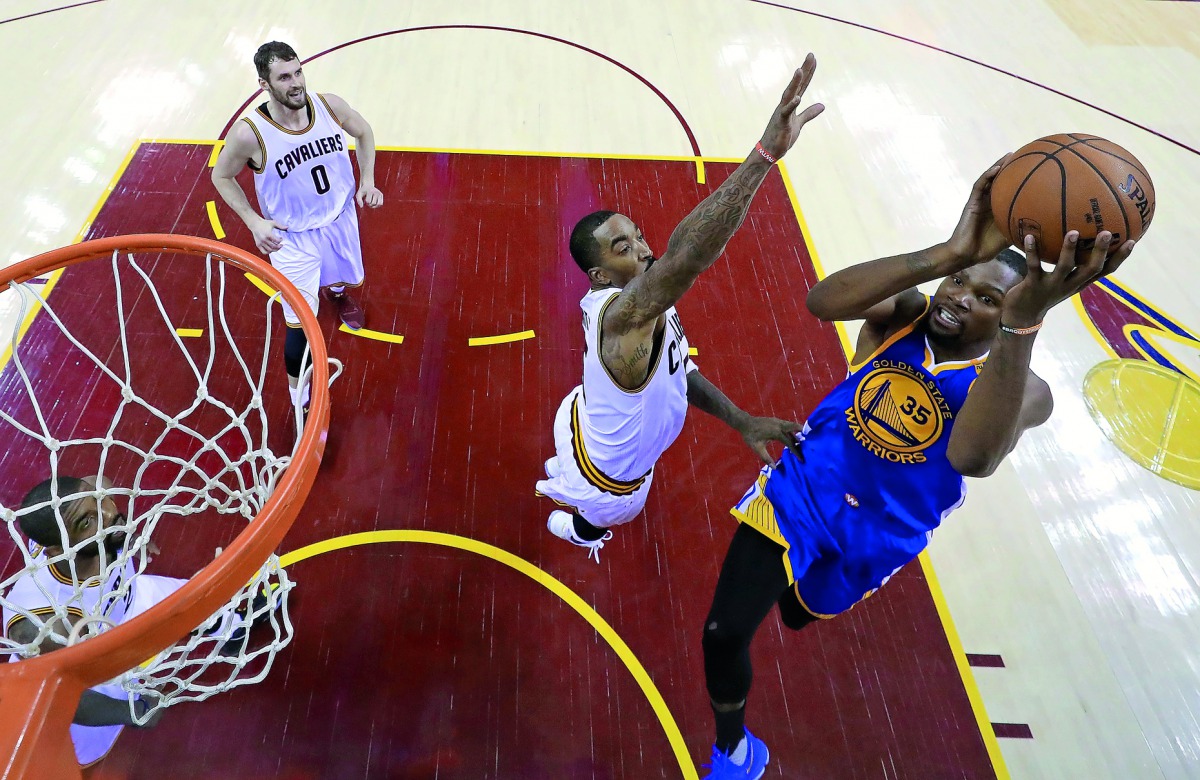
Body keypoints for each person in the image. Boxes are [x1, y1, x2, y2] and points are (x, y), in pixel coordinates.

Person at [696, 155, 1137, 777]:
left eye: (988, 299)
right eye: (961, 284)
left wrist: (1020, 328)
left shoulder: (1026, 390)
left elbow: (972, 457)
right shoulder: (905, 317)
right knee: (724, 633)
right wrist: (948, 255)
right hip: (802, 487)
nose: (960, 301)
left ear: (1014, 313)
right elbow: (821, 302)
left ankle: (802, 595)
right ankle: (734, 748)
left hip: (882, 532)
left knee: (796, 615)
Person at [535, 57, 825, 563]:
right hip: (605, 482)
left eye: (639, 236)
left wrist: (742, 420)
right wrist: (762, 158)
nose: (644, 250)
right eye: (622, 248)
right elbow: (687, 255)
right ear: (600, 276)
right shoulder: (625, 316)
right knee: (602, 516)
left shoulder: (645, 310)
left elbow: (678, 371)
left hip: (611, 436)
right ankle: (581, 528)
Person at [1, 476, 259, 767]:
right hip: (89, 671)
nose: (110, 514)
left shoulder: (100, 514)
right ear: (59, 551)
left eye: (100, 501)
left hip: (131, 598)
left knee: (199, 601)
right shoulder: (39, 621)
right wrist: (133, 713)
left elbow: (98, 487)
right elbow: (67, 698)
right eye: (87, 522)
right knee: (92, 747)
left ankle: (233, 630)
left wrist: (129, 537)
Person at [211, 41, 384, 411]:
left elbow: (364, 131)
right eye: (284, 77)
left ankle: (336, 295)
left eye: (298, 72)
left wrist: (367, 180)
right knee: (300, 325)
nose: (296, 83)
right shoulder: (249, 133)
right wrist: (254, 221)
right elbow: (221, 176)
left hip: (339, 220)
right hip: (291, 240)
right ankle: (300, 399)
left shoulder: (329, 106)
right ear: (264, 84)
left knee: (341, 277)